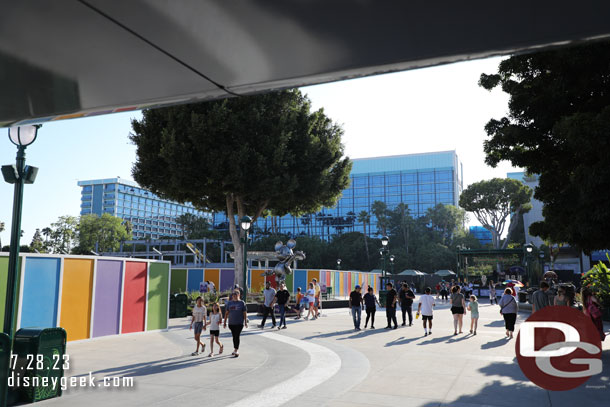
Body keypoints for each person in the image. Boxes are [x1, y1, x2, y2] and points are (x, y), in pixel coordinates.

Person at [223, 290, 248, 357]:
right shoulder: (229, 303)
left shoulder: (242, 303)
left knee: (237, 335)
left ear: (239, 295)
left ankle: (236, 350)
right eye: (233, 295)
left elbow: (244, 313)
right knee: (234, 336)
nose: (234, 296)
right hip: (231, 323)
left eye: (236, 294)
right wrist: (225, 322)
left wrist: (245, 322)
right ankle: (235, 349)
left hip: (239, 323)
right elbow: (226, 313)